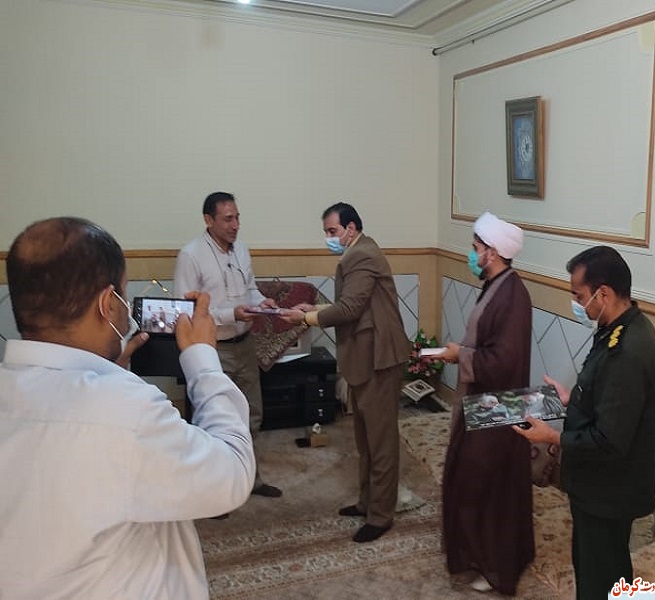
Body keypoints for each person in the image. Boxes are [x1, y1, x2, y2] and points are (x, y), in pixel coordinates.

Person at [0, 217, 256, 599]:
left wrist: (110, 373)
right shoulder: (125, 411)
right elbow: (231, 474)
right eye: (123, 293)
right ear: (108, 303)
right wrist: (203, 358)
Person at [513, 245, 655, 600]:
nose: (576, 304)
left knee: (600, 579)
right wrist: (572, 399)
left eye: (579, 296)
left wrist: (553, 437)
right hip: (599, 487)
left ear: (604, 293)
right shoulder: (619, 327)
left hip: (609, 491)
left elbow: (609, 439)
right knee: (597, 568)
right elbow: (607, 398)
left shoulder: (627, 349)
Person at [280, 202, 409, 543]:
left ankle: (381, 516)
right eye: (326, 232)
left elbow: (350, 308)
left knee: (381, 443)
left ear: (351, 228)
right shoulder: (359, 251)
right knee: (366, 440)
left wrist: (305, 318)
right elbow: (356, 303)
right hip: (367, 358)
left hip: (379, 359)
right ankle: (368, 502)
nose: (329, 238)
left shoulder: (361, 255)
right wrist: (315, 308)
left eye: (332, 231)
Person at [434, 212, 534, 595]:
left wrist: (460, 355)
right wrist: (462, 352)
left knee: (486, 486)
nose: (471, 254)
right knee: (473, 480)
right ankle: (479, 557)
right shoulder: (497, 285)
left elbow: (503, 360)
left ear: (491, 252)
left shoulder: (512, 295)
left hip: (498, 407)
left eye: (475, 247)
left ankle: (496, 567)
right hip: (485, 402)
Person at [174, 191, 282, 499]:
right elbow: (186, 311)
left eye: (237, 218)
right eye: (228, 219)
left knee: (252, 413)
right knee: (213, 417)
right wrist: (230, 314)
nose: (235, 225)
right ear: (208, 220)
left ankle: (251, 479)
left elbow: (250, 290)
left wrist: (263, 302)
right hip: (212, 349)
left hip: (245, 344)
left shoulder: (242, 250)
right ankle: (214, 492)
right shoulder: (191, 255)